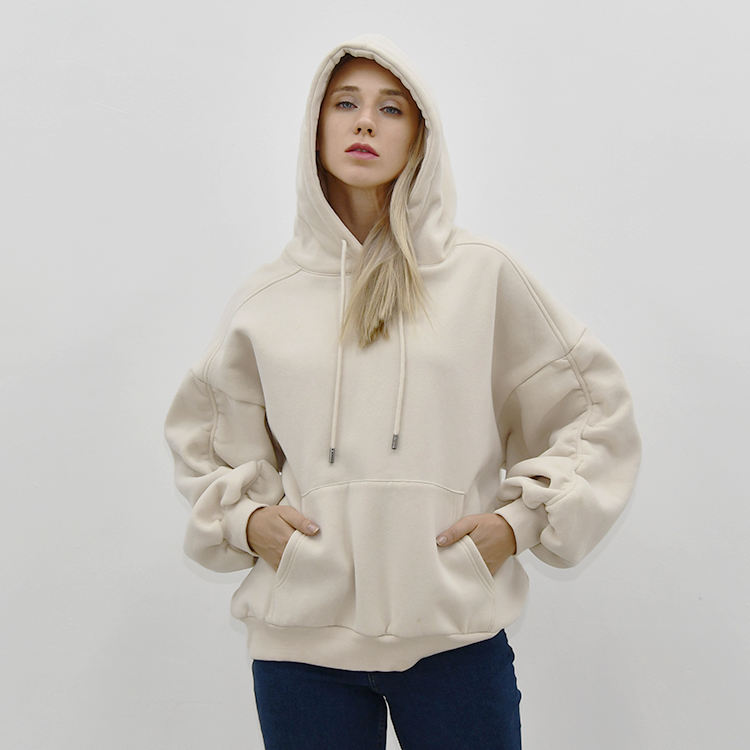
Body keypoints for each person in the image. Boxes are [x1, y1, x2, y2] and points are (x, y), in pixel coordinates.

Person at [163, 32, 642, 750]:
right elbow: (205, 439)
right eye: (345, 103)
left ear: (420, 137)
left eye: (391, 109)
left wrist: (519, 523)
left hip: (455, 643)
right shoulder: (267, 298)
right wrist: (247, 520)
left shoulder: (482, 275)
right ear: (315, 126)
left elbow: (593, 410)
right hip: (301, 653)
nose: (365, 122)